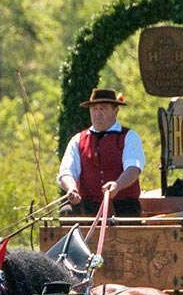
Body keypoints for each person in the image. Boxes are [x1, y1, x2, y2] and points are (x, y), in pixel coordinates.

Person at [57, 88, 145, 217]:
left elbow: (133, 168)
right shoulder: (78, 140)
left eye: (103, 108)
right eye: (94, 109)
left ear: (116, 111)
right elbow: (66, 171)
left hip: (123, 205)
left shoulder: (129, 137)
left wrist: (117, 185)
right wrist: (71, 188)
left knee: (128, 216)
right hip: (88, 206)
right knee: (66, 212)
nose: (97, 113)